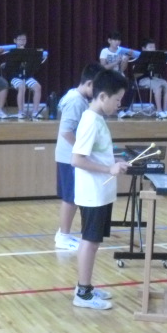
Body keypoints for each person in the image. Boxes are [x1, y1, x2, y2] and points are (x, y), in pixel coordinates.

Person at [71, 70, 129, 309]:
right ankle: (82, 293)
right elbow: (77, 160)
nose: (119, 104)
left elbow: (98, 153)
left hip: (101, 192)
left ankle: (86, 287)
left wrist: (115, 160)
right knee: (90, 241)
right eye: (117, 99)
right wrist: (109, 169)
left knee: (93, 242)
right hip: (93, 193)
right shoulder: (89, 121)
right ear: (103, 96)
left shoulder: (98, 119)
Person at [54, 63, 105, 250]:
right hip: (69, 157)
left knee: (72, 197)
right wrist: (82, 148)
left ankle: (64, 233)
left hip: (70, 155)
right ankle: (63, 236)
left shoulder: (76, 97)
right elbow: (66, 131)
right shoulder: (75, 101)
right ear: (89, 83)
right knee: (70, 198)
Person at [7, 30, 43, 119]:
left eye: (24, 39)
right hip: (15, 77)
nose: (22, 41)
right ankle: (21, 112)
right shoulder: (12, 52)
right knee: (22, 87)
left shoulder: (30, 52)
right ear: (15, 40)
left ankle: (35, 112)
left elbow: (33, 66)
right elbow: (9, 67)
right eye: (20, 39)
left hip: (26, 76)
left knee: (37, 87)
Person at [99, 31, 134, 119]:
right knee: (117, 87)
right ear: (109, 41)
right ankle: (119, 110)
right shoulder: (104, 51)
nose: (117, 42)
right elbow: (103, 67)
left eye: (118, 40)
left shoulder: (121, 51)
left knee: (131, 85)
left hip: (119, 75)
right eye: (114, 40)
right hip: (108, 75)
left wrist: (126, 59)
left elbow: (122, 69)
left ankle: (125, 108)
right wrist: (115, 62)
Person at [137, 38, 167, 119]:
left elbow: (158, 71)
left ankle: (165, 109)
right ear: (144, 48)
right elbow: (136, 73)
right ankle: (159, 111)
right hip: (142, 79)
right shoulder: (140, 57)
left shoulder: (156, 58)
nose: (153, 49)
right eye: (150, 47)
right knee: (157, 86)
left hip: (153, 78)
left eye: (154, 47)